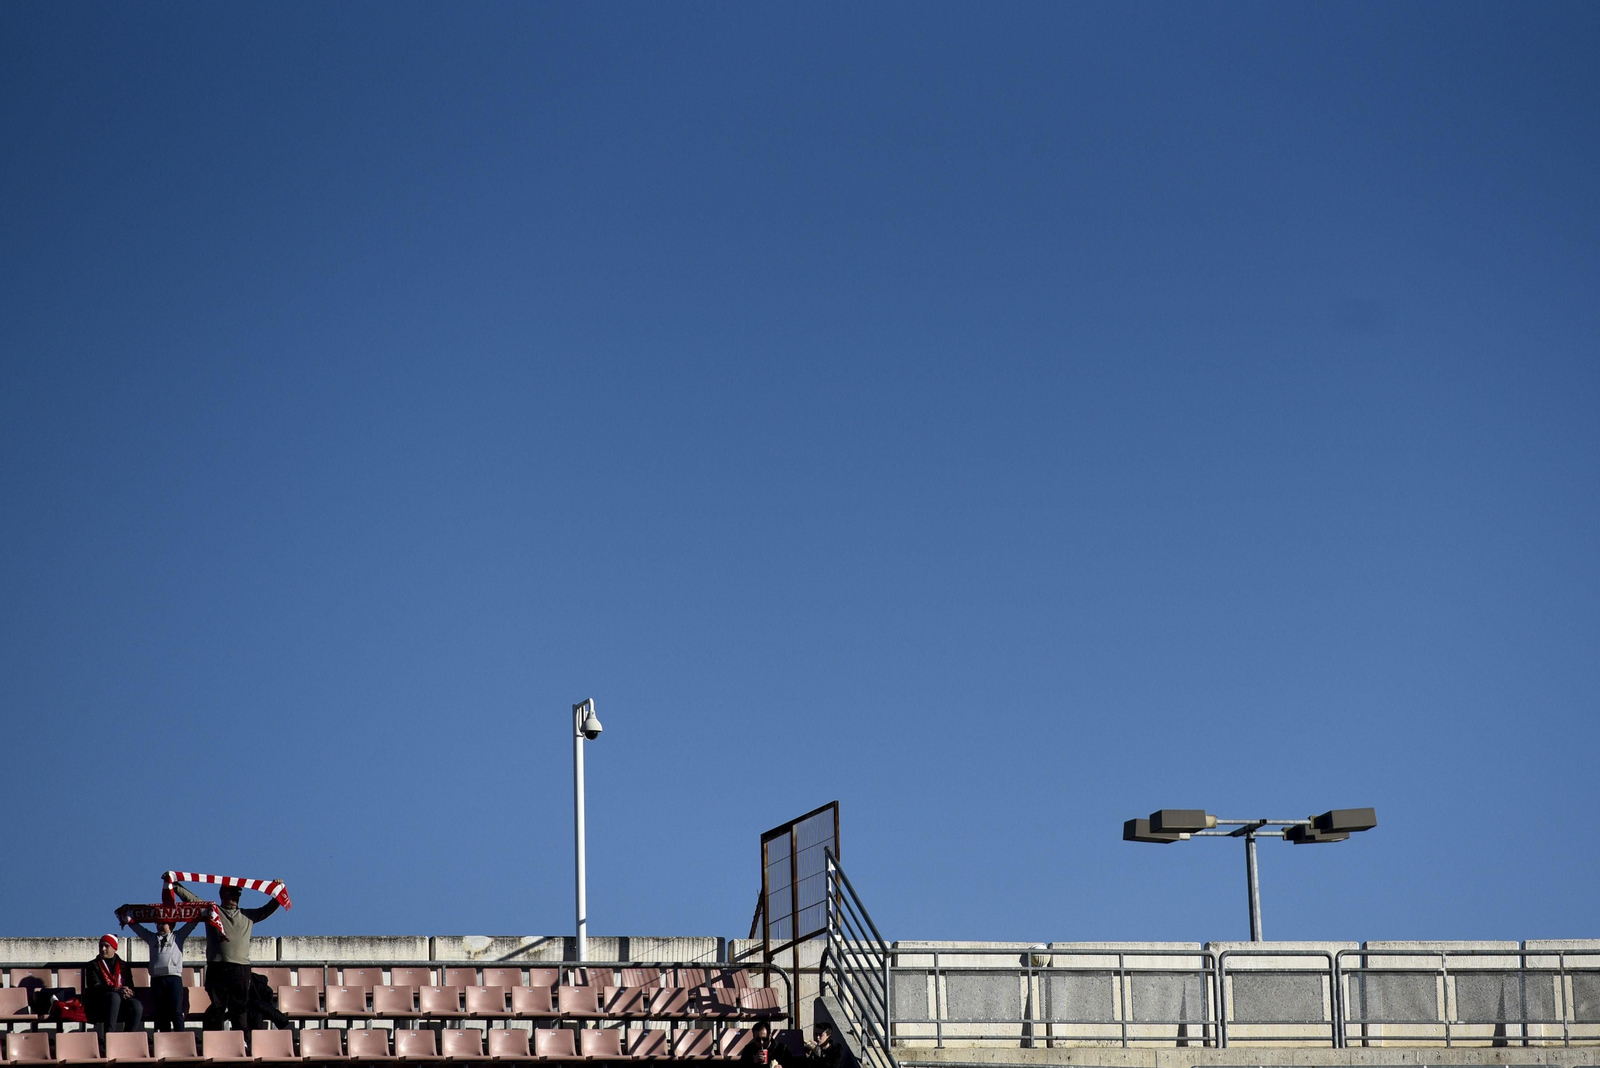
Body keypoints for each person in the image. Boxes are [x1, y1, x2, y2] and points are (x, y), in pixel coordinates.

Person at [170, 880, 281, 1030]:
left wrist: (279, 890)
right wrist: (174, 884)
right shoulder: (212, 911)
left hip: (240, 969)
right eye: (232, 893)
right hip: (217, 968)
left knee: (240, 1009)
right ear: (223, 894)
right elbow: (192, 900)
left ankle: (241, 1043)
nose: (236, 897)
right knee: (217, 1008)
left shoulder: (248, 915)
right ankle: (214, 1042)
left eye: (238, 894)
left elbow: (269, 908)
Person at [127, 918, 198, 1031]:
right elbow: (139, 929)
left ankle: (181, 1040)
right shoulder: (151, 938)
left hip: (174, 978)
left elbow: (191, 925)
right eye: (157, 923)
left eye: (162, 923)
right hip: (157, 979)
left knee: (176, 1012)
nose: (159, 926)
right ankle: (164, 1041)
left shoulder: (178, 936)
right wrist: (129, 921)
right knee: (161, 1013)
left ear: (171, 925)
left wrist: (199, 914)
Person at [82, 934, 144, 1033]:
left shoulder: (123, 966)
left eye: (107, 946)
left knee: (136, 1005)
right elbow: (95, 987)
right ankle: (109, 1036)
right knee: (114, 997)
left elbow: (130, 985)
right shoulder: (92, 965)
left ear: (114, 948)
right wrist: (116, 990)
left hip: (121, 1001)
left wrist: (128, 992)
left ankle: (127, 1036)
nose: (103, 949)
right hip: (100, 1002)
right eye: (101, 946)